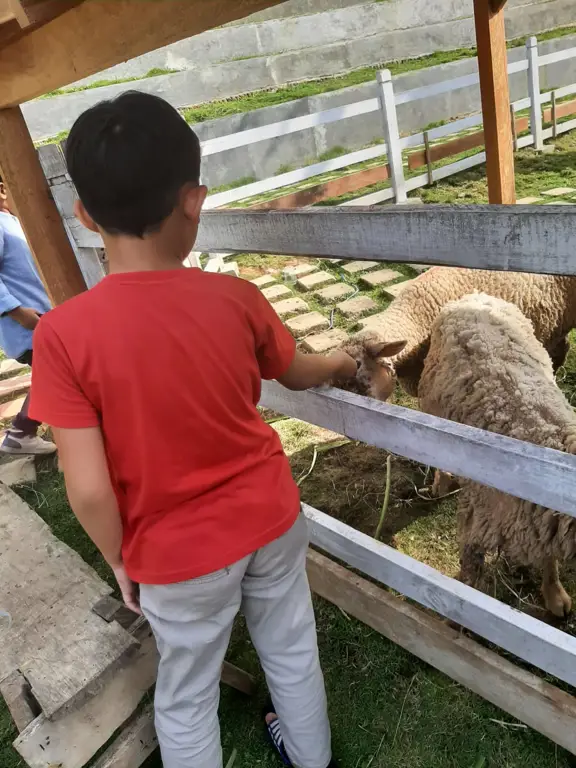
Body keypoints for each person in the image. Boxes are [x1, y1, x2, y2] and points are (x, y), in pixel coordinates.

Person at [28, 92, 357, 768]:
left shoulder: (63, 336)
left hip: (175, 557)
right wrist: (345, 361)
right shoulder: (235, 300)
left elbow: (86, 488)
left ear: (86, 215)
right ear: (194, 200)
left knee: (186, 691)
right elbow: (297, 371)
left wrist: (119, 558)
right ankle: (312, 758)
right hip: (269, 517)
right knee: (291, 649)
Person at [0, 178, 56, 455]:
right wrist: (18, 312)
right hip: (26, 322)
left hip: (38, 317)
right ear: (1, 191)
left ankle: (22, 431)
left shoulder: (11, 222)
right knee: (55, 371)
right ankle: (21, 431)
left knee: (52, 372)